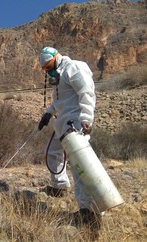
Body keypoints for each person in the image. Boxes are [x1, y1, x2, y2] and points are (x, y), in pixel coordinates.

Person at [37, 47, 100, 222]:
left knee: (78, 164)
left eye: (49, 66)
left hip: (76, 123)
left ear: (56, 58)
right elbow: (59, 101)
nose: (48, 71)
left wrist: (87, 118)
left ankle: (89, 210)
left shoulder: (74, 67)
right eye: (45, 69)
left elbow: (86, 92)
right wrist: (48, 113)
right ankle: (59, 186)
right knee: (52, 152)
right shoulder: (58, 77)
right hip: (62, 124)